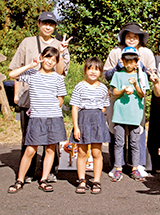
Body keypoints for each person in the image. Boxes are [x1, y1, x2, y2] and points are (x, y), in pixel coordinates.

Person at [8, 11, 70, 184]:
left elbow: (61, 73)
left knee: (52, 142)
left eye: (51, 24)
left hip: (49, 101)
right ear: (38, 23)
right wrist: (16, 95)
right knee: (29, 138)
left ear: (55, 26)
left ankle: (48, 172)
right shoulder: (27, 42)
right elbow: (15, 68)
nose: (48, 27)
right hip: (29, 96)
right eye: (44, 23)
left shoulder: (60, 44)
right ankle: (27, 172)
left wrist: (62, 53)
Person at [102, 22, 157, 177]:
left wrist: (146, 74)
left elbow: (151, 73)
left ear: (140, 39)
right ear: (123, 37)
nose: (132, 39)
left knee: (137, 131)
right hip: (118, 99)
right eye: (128, 36)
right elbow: (106, 75)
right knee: (116, 130)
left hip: (136, 101)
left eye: (135, 36)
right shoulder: (115, 52)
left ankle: (137, 165)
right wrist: (118, 68)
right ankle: (116, 165)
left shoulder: (146, 53)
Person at [69, 57, 109, 194]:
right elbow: (74, 108)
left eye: (97, 69)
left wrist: (97, 117)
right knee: (81, 152)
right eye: (90, 68)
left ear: (101, 72)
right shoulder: (79, 86)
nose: (93, 72)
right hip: (82, 120)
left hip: (98, 121)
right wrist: (76, 127)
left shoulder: (103, 88)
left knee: (97, 152)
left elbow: (105, 106)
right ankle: (82, 180)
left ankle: (96, 180)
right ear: (85, 70)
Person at [109, 47, 150, 182]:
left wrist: (136, 85)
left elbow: (142, 94)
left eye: (132, 61)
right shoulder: (118, 75)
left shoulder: (141, 75)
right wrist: (123, 91)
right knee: (119, 142)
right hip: (120, 114)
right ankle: (118, 168)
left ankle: (135, 168)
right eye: (127, 60)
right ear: (122, 61)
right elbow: (114, 93)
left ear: (137, 61)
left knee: (134, 143)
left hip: (135, 114)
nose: (129, 64)